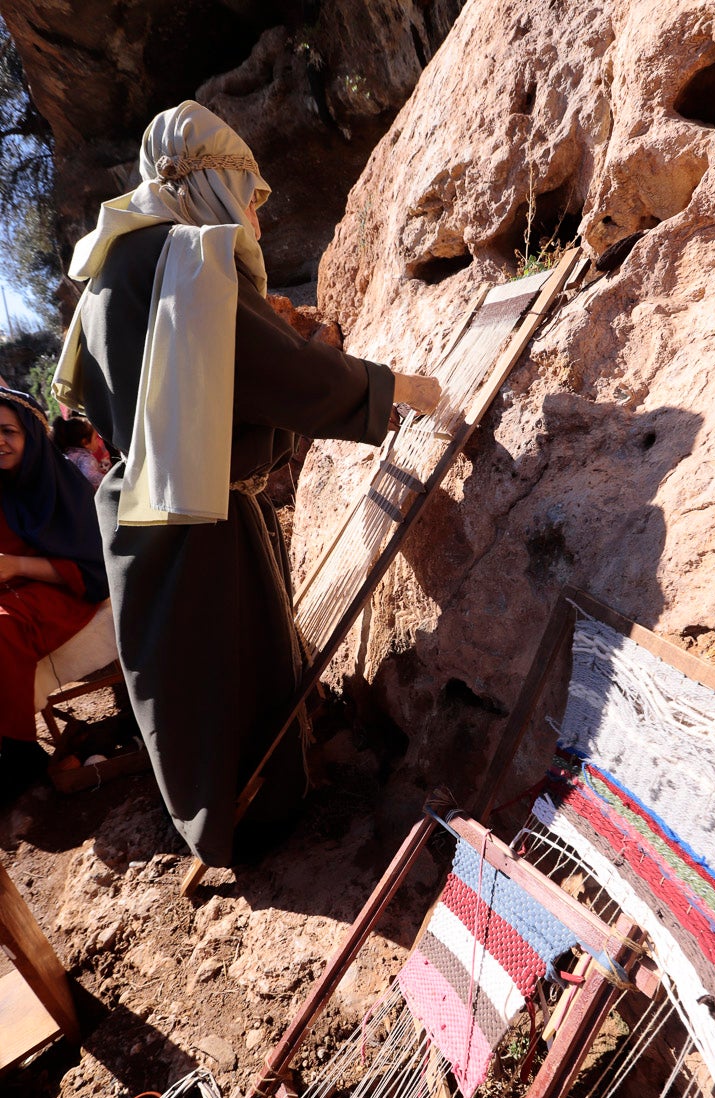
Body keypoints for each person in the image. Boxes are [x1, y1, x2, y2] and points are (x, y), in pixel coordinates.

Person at [52, 100, 441, 867]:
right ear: (204, 181)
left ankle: (206, 815)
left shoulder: (107, 270)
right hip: (196, 519)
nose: (255, 221)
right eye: (245, 193)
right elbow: (277, 372)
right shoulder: (182, 257)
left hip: (141, 513)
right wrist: (393, 389)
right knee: (228, 668)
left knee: (180, 679)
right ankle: (262, 817)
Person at [0, 388, 109, 798]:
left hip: (62, 589)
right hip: (11, 590)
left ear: (30, 432)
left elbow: (93, 569)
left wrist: (17, 566)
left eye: (8, 430)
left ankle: (19, 752)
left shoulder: (61, 484)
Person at [52, 414, 109, 490]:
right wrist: (109, 479)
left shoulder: (68, 455)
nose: (98, 442)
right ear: (85, 442)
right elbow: (89, 476)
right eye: (95, 438)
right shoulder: (86, 458)